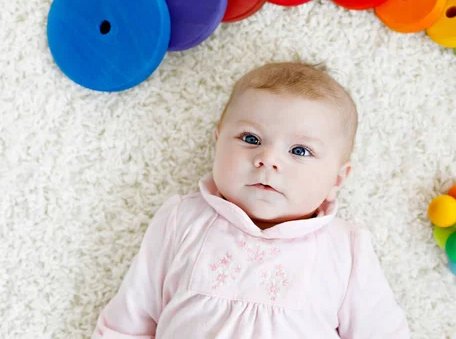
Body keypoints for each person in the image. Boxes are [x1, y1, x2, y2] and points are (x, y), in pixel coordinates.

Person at [92, 62, 410, 338]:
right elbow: (127, 323)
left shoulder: (345, 248)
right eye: (251, 139)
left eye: (300, 151)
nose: (268, 158)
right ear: (218, 143)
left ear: (337, 179)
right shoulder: (181, 220)